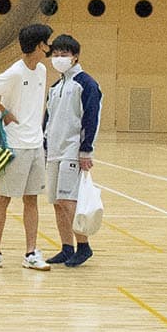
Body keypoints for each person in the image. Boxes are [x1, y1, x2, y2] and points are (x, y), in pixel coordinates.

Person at [0, 23, 55, 271]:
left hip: (35, 145)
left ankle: (31, 253)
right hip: (15, 145)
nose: (49, 47)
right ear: (39, 45)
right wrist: (4, 111)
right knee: (4, 198)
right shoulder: (15, 73)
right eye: (47, 42)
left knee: (32, 200)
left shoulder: (41, 70)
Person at [43, 33, 103, 267]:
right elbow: (48, 119)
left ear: (75, 57)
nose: (59, 58)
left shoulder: (86, 84)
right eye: (55, 54)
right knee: (57, 202)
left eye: (64, 54)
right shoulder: (56, 86)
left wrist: (86, 150)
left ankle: (83, 245)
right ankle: (66, 247)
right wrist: (45, 145)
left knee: (69, 201)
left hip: (72, 150)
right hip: (54, 151)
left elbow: (91, 118)